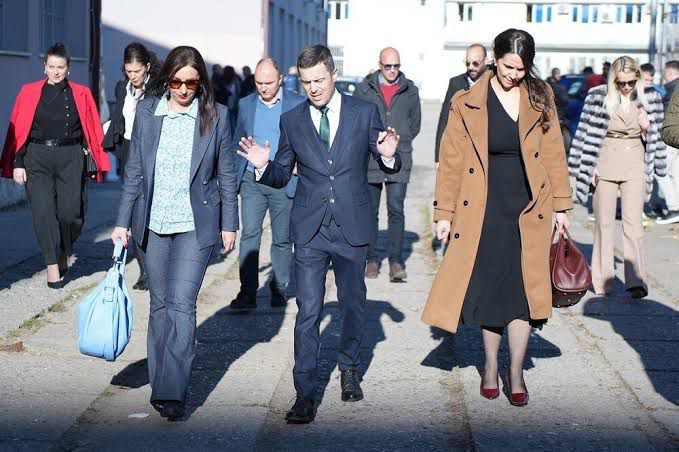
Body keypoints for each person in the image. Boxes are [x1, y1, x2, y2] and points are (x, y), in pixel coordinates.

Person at [237, 44, 401, 423]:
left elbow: (386, 159)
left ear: (333, 75)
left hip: (351, 225)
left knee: (352, 304)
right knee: (308, 310)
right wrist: (262, 166)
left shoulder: (363, 112)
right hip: (310, 228)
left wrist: (389, 154)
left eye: (319, 81)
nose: (313, 88)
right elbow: (282, 173)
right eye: (307, 82)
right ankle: (304, 393)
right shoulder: (292, 120)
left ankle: (349, 367)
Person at [423, 29, 572, 407]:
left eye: (521, 69)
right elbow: (451, 160)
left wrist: (561, 206)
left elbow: (554, 153)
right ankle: (490, 367)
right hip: (483, 209)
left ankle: (516, 372)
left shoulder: (540, 96)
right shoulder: (467, 101)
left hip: (529, 208)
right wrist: (444, 213)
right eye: (508, 67)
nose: (513, 75)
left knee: (523, 292)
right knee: (491, 291)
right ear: (495, 58)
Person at [110, 46, 238, 421]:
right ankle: (161, 379)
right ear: (167, 78)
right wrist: (121, 222)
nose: (183, 89)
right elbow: (134, 172)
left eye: (191, 83)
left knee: (182, 304)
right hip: (152, 224)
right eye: (177, 81)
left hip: (195, 226)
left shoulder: (216, 116)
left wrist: (229, 222)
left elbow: (227, 173)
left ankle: (171, 391)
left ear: (201, 83)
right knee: (160, 304)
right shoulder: (147, 113)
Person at [0, 42, 110, 288]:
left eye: (60, 67)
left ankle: (63, 251)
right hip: (36, 157)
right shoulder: (29, 92)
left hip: (71, 156)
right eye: (51, 66)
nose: (56, 71)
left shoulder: (81, 93)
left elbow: (90, 129)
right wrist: (18, 162)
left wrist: (93, 160)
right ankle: (51, 264)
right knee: (43, 211)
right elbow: (19, 128)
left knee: (72, 214)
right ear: (44, 67)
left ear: (68, 68)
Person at [569, 56, 666, 298]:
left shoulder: (650, 98)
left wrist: (647, 128)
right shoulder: (597, 96)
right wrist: (587, 165)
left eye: (631, 82)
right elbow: (583, 133)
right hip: (605, 160)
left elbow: (658, 140)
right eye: (621, 82)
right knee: (603, 224)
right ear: (613, 80)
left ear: (638, 79)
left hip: (635, 161)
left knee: (634, 224)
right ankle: (603, 280)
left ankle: (637, 281)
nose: (626, 87)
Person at [229, 58, 305, 310]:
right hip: (252, 180)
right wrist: (234, 174)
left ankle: (279, 287)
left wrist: (300, 165)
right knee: (250, 234)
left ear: (281, 79)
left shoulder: (297, 103)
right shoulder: (245, 104)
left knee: (282, 238)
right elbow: (237, 138)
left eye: (269, 83)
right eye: (259, 82)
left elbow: (307, 139)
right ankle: (247, 292)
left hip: (283, 180)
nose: (263, 87)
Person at [354, 47, 421, 281]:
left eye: (396, 66)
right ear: (379, 65)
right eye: (388, 66)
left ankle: (395, 261)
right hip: (371, 159)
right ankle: (372, 260)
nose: (392, 70)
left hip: (399, 158)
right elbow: (356, 121)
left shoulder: (410, 90)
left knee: (396, 209)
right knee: (370, 211)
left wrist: (399, 140)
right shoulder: (364, 90)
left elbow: (415, 124)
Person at [103, 42, 161, 291]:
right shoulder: (121, 88)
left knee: (152, 212)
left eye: (137, 71)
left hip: (152, 152)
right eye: (129, 71)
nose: (133, 76)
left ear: (147, 67)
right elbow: (120, 119)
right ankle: (145, 271)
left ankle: (158, 266)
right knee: (134, 213)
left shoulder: (158, 89)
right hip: (129, 152)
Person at [435, 44, 488, 164]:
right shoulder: (455, 83)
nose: (471, 67)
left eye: (475, 63)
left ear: (485, 61)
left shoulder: (494, 81)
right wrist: (438, 158)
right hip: (460, 152)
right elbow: (444, 120)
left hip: (486, 152)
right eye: (467, 63)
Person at [658, 61, 679, 224]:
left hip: (672, 139)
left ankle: (674, 208)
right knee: (674, 172)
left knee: (663, 171)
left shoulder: (672, 89)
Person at [546, 67, 571, 151]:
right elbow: (565, 100)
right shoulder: (559, 87)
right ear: (554, 74)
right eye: (558, 74)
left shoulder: (546, 85)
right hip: (559, 112)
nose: (559, 75)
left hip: (548, 111)